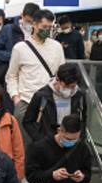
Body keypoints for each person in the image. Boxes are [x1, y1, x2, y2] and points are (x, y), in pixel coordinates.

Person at [6, 9, 65, 144]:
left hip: (50, 104)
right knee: (24, 145)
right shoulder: (20, 48)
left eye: (50, 27)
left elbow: (61, 73)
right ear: (34, 24)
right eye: (44, 27)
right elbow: (11, 76)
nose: (47, 30)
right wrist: (16, 98)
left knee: (48, 145)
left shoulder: (56, 47)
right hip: (26, 102)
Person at [23, 62, 86, 143]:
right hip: (47, 143)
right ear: (58, 79)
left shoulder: (79, 96)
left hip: (71, 142)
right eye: (66, 86)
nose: (69, 90)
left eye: (73, 87)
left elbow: (83, 119)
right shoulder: (42, 96)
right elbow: (27, 121)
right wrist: (40, 140)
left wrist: (80, 138)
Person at [0, 2, 40, 85]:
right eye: (28, 21)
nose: (30, 24)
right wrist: (15, 55)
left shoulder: (39, 33)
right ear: (22, 15)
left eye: (32, 22)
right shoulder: (9, 29)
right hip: (11, 76)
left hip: (31, 76)